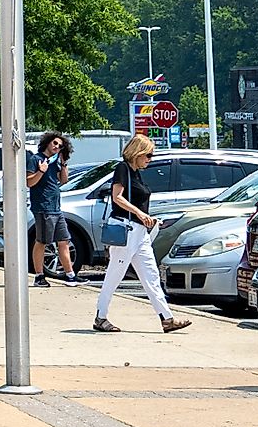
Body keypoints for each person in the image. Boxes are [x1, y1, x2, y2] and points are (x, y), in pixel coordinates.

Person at [95, 133, 187, 333]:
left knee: (151, 275)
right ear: (137, 152)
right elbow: (117, 197)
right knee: (114, 274)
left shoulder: (136, 173)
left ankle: (167, 318)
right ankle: (100, 316)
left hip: (139, 232)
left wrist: (148, 218)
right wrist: (139, 213)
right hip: (125, 229)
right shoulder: (123, 169)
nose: (150, 159)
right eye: (148, 155)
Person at [26, 132, 73, 285]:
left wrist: (64, 163)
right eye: (54, 143)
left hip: (56, 207)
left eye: (60, 146)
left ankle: (70, 275)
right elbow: (29, 182)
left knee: (64, 240)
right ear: (47, 143)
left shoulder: (55, 162)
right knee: (42, 241)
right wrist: (41, 171)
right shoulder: (36, 159)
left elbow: (63, 181)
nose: (56, 147)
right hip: (43, 207)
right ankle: (39, 276)